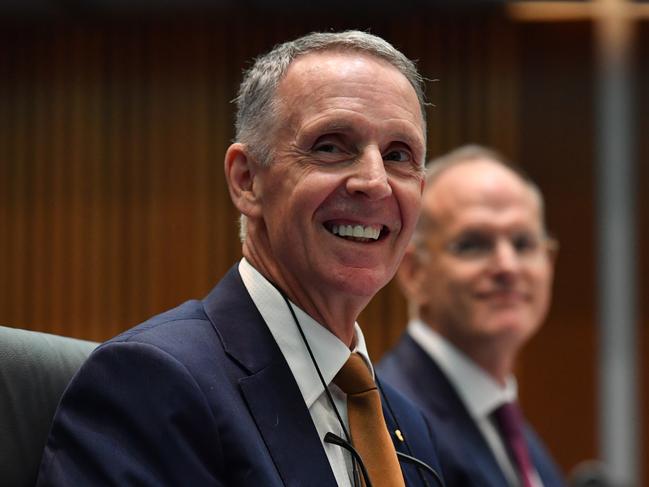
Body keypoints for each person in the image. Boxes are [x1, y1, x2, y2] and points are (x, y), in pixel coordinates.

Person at [37, 31, 443, 486]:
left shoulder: (408, 426)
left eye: (398, 155)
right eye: (330, 146)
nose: (375, 181)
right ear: (247, 180)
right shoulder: (152, 383)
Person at [378, 145, 565, 487]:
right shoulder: (390, 424)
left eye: (523, 244)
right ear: (414, 272)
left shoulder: (516, 434)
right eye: (473, 244)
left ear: (549, 262)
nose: (507, 266)